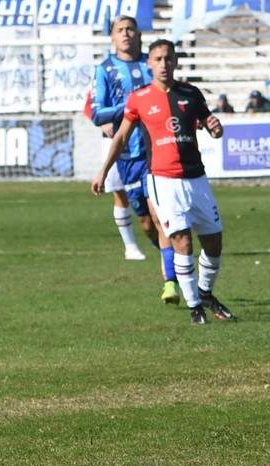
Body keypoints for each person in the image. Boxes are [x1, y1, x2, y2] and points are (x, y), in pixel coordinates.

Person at [92, 39, 235, 326]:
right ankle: (194, 306)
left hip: (196, 178)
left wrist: (216, 129)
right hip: (164, 181)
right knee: (182, 240)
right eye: (158, 59)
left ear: (176, 61)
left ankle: (205, 293)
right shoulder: (139, 98)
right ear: (149, 64)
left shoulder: (191, 93)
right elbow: (121, 137)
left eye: (168, 58)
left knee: (214, 243)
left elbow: (210, 124)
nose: (163, 64)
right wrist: (103, 171)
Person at [90, 15, 182, 306]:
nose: (126, 33)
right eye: (120, 30)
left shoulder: (152, 63)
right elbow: (97, 114)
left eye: (131, 29)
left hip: (156, 152)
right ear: (112, 37)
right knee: (145, 222)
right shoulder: (104, 69)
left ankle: (172, 280)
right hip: (127, 155)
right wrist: (131, 104)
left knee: (159, 215)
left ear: (139, 34)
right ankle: (170, 257)